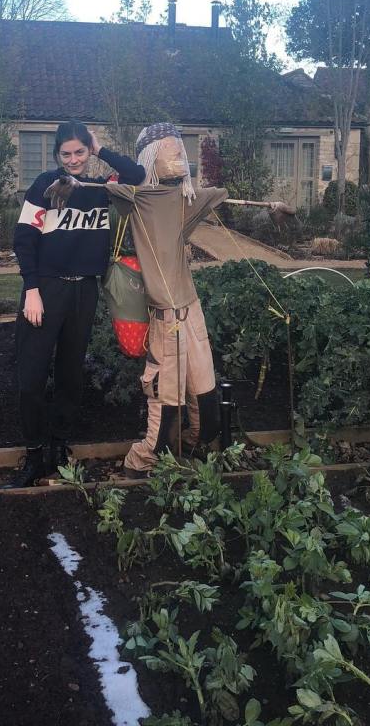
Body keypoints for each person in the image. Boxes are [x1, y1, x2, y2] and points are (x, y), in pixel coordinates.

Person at [3, 120, 145, 488]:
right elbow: (24, 238)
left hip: (84, 291)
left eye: (80, 151)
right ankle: (34, 454)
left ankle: (60, 449)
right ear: (56, 156)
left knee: (70, 376)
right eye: (66, 154)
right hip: (46, 290)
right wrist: (31, 289)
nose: (73, 160)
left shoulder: (101, 188)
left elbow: (137, 174)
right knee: (32, 378)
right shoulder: (46, 187)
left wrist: (101, 149)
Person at [104, 123, 228, 476]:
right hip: (163, 312)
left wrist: (275, 204)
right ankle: (143, 460)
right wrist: (77, 178)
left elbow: (222, 196)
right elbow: (112, 185)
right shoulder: (136, 198)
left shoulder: (183, 199)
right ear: (150, 158)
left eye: (180, 151)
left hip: (191, 307)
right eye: (169, 150)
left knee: (204, 387)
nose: (179, 155)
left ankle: (194, 443)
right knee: (166, 392)